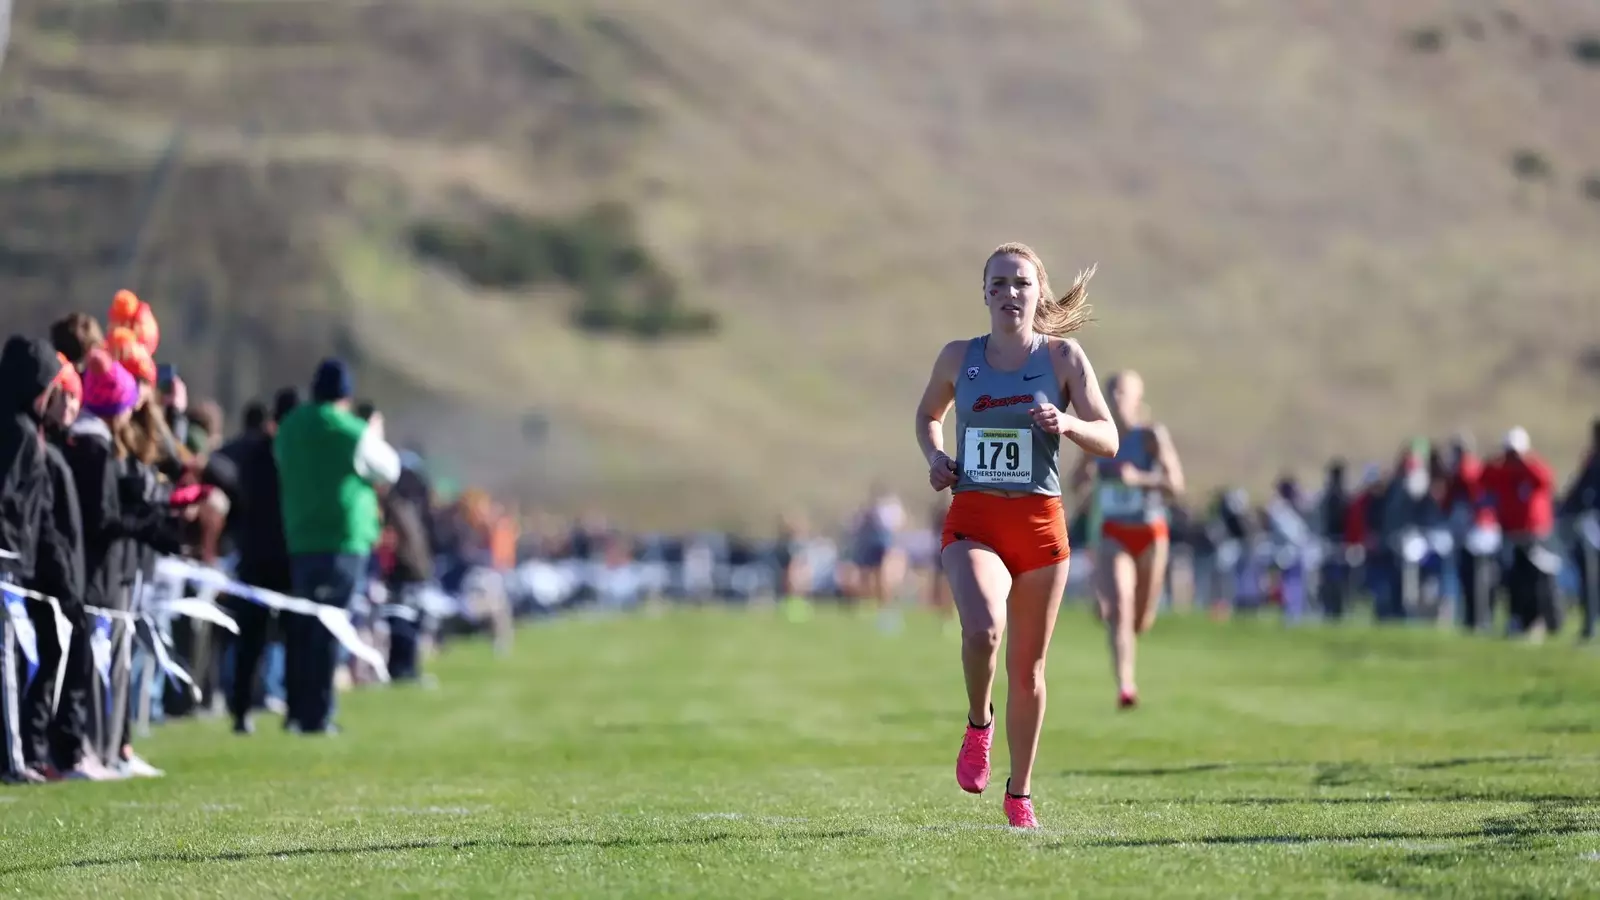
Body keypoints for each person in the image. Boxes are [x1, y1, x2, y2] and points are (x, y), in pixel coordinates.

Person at [914, 242, 1118, 828]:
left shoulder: (1062, 358)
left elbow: (1109, 437)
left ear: (1038, 292)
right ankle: (980, 724)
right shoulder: (959, 357)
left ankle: (1020, 794)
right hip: (975, 518)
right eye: (999, 284)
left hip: (1040, 526)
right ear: (983, 293)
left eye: (1021, 284)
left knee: (1028, 670)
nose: (1010, 294)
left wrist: (1069, 423)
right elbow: (928, 415)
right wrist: (936, 456)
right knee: (982, 629)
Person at [274, 359, 400, 734]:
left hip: (299, 536)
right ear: (345, 396)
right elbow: (389, 468)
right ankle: (319, 714)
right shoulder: (350, 428)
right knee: (331, 629)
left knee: (302, 626)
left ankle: (297, 709)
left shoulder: (290, 426)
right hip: (343, 538)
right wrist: (372, 433)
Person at [1070, 370, 1184, 708]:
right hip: (1113, 532)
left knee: (1140, 620)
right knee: (1120, 607)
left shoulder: (1150, 436)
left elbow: (1175, 485)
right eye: (1111, 392)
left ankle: (1130, 641)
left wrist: (1139, 479)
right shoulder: (1101, 436)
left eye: (1122, 392)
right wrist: (1086, 475)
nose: (1116, 399)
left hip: (1150, 533)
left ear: (1138, 397)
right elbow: (1076, 481)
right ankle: (1126, 685)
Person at [0, 336, 66, 783]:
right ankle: (12, 759)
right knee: (7, 660)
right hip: (6, 564)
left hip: (14, 564)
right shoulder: (20, 433)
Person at [1483, 427, 1558, 638]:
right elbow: (1484, 477)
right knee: (1513, 582)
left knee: (1535, 582)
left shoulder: (1532, 469)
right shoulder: (1504, 471)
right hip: (1512, 534)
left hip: (1534, 535)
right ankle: (1518, 620)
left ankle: (1537, 622)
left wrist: (1525, 461)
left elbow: (1547, 478)